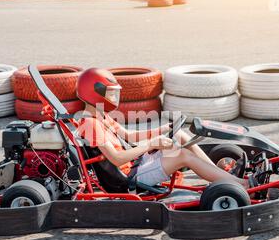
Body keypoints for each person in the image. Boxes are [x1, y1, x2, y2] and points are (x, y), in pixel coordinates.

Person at [75, 68, 249, 189]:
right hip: (129, 178)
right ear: (95, 93)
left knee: (179, 135)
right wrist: (151, 144)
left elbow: (129, 136)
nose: (114, 98)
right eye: (111, 94)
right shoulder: (91, 124)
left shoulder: (100, 115)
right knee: (182, 155)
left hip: (136, 164)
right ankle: (240, 184)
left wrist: (163, 129)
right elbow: (118, 159)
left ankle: (222, 176)